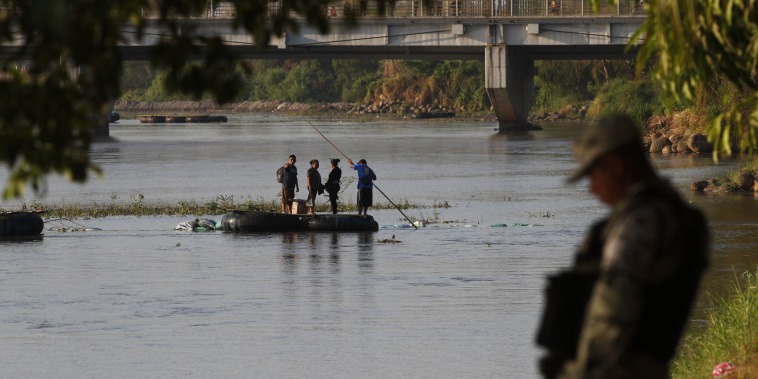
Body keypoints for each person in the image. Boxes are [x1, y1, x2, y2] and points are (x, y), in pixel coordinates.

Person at [536, 114, 709, 379]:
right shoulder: (675, 214)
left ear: (616, 164)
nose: (592, 188)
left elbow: (612, 312)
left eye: (593, 174)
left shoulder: (641, 221)